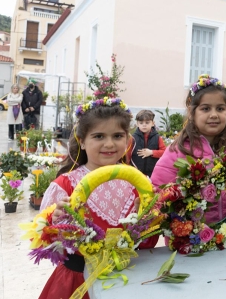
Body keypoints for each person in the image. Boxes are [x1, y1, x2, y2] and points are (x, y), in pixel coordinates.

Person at [39, 98, 158, 299]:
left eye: (118, 135)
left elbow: (148, 243)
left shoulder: (141, 185)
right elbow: (45, 240)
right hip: (78, 281)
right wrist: (56, 220)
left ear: (128, 139)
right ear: (82, 141)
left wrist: (147, 220)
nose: (109, 144)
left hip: (129, 280)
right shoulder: (65, 185)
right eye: (99, 136)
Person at [151, 74, 226, 223]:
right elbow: (157, 197)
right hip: (191, 241)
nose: (214, 115)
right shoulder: (177, 153)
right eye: (206, 108)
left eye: (220, 108)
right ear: (192, 113)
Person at [126, 110, 166, 178]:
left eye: (147, 122)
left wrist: (151, 152)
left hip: (153, 173)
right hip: (136, 172)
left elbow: (164, 152)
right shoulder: (133, 138)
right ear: (137, 124)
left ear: (153, 123)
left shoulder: (157, 138)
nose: (144, 125)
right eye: (141, 123)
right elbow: (127, 155)